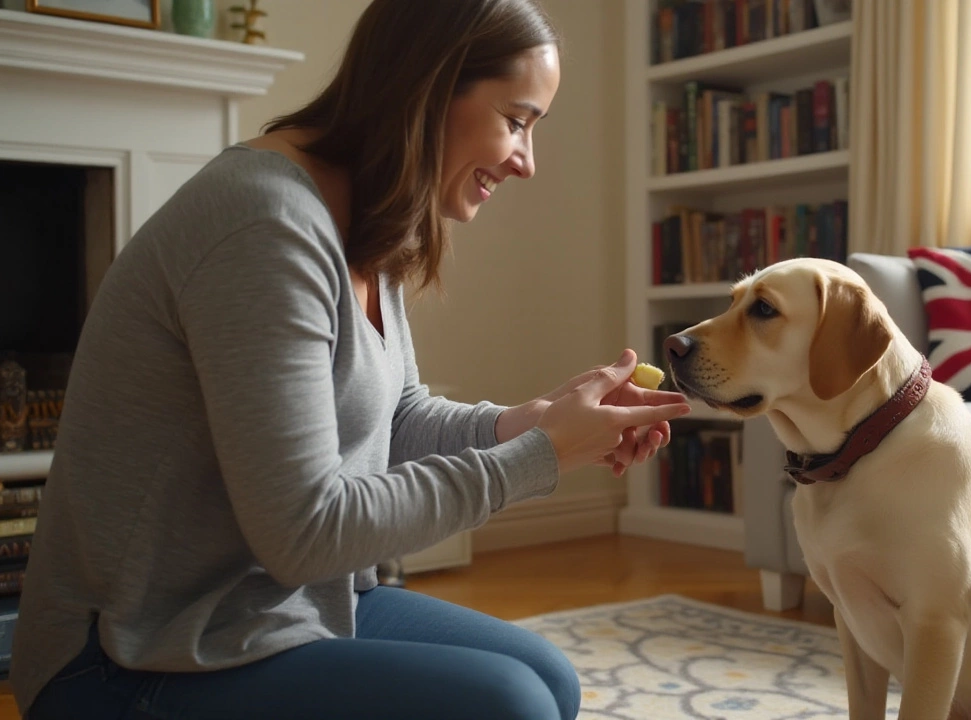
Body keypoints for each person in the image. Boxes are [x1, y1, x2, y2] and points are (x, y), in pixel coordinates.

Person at [11, 1, 690, 718]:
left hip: (279, 607)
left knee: (548, 679)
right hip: (127, 656)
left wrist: (535, 422)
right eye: (517, 121)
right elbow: (306, 532)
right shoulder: (265, 224)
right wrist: (541, 456)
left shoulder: (364, 217)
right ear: (428, 91)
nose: (526, 161)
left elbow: (393, 419)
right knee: (509, 705)